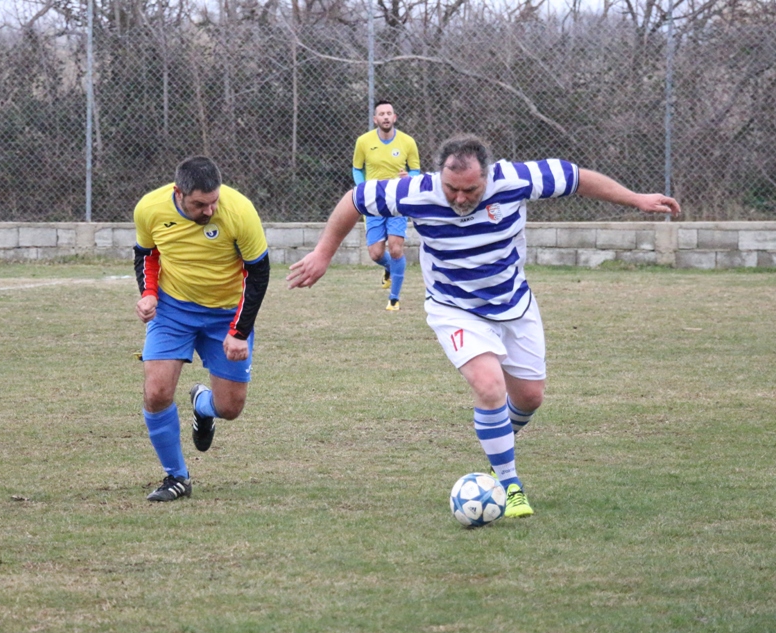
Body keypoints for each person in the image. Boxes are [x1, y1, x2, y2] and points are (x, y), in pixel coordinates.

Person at [289, 134, 680, 517]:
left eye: (470, 190)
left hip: (513, 303)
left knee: (530, 398)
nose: (460, 198)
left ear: (488, 178)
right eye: (451, 189)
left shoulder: (517, 180)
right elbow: (354, 200)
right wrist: (324, 253)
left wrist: (636, 200)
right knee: (489, 385)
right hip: (453, 308)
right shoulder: (415, 191)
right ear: (439, 176)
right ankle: (509, 485)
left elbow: (576, 177)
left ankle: (498, 454)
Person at [133, 156, 270, 501]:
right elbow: (146, 253)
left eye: (214, 202)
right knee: (156, 392)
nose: (209, 211)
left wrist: (239, 331)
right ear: (179, 193)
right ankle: (176, 477)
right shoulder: (149, 209)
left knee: (230, 408)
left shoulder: (239, 211)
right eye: (199, 204)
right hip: (173, 310)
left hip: (226, 314)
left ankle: (203, 407)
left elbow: (259, 274)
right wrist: (148, 294)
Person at [352, 100, 420, 311]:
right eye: (381, 114)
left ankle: (394, 298)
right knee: (376, 253)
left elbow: (416, 171)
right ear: (375, 119)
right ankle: (390, 268)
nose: (386, 117)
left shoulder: (408, 142)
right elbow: (357, 168)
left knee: (396, 248)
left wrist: (409, 177)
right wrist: (363, 188)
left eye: (389, 113)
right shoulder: (363, 142)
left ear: (395, 117)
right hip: (373, 202)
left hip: (397, 200)